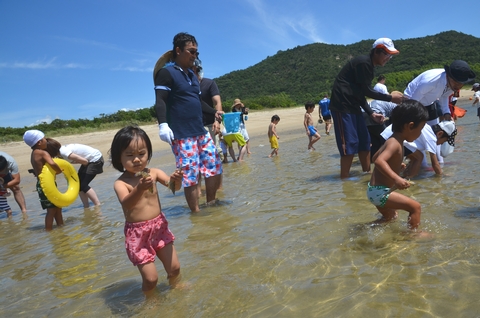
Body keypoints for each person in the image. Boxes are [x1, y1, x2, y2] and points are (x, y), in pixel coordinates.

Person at [153, 32, 223, 213]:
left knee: (214, 165)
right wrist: (163, 124)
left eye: (197, 53)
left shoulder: (192, 76)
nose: (195, 56)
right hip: (182, 134)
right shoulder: (166, 73)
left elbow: (197, 102)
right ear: (178, 50)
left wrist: (214, 112)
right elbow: (160, 100)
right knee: (191, 175)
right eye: (191, 51)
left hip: (200, 131)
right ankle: (196, 214)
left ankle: (211, 204)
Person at [111, 125, 183, 296]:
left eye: (141, 154)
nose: (136, 159)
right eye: (129, 155)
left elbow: (174, 188)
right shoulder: (121, 183)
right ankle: (150, 299)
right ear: (118, 158)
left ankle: (176, 288)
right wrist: (140, 189)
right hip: (138, 234)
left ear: (148, 154)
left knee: (175, 267)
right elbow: (127, 204)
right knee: (151, 279)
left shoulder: (154, 173)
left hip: (159, 227)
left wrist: (176, 180)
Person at [329, 37, 404, 178]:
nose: (388, 58)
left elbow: (360, 93)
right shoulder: (364, 63)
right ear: (377, 51)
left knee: (365, 142)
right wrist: (391, 98)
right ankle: (344, 178)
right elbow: (368, 91)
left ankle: (367, 173)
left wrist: (371, 113)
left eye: (390, 56)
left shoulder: (368, 67)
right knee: (349, 144)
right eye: (387, 54)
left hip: (354, 106)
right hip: (342, 107)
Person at [367, 100, 429, 232]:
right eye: (421, 129)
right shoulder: (395, 143)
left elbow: (374, 158)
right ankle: (414, 235)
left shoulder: (392, 140)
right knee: (415, 207)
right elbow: (379, 162)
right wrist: (397, 178)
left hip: (374, 191)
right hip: (381, 192)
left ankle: (365, 229)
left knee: (391, 218)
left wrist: (394, 164)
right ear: (410, 126)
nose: (420, 133)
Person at [405, 60, 476, 126]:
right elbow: (414, 100)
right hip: (411, 101)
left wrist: (446, 113)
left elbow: (444, 96)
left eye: (461, 84)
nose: (458, 86)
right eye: (456, 83)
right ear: (449, 76)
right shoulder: (430, 81)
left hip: (430, 103)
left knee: (434, 132)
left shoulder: (452, 85)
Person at [381, 120, 456, 177]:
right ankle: (410, 179)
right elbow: (435, 163)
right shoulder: (432, 138)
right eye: (444, 141)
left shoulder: (428, 129)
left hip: (390, 134)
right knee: (419, 157)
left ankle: (405, 175)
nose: (442, 143)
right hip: (393, 138)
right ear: (440, 134)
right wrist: (441, 175)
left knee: (416, 157)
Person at [23, 129, 63, 231]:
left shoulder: (34, 153)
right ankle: (48, 230)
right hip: (46, 185)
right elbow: (53, 163)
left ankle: (61, 227)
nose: (46, 140)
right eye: (44, 138)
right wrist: (59, 170)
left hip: (43, 184)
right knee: (52, 209)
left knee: (57, 207)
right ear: (39, 142)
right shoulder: (42, 152)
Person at [45, 139, 104, 208]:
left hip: (95, 159)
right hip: (88, 161)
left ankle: (97, 204)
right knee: (78, 185)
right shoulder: (59, 154)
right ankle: (86, 206)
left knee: (83, 185)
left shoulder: (64, 152)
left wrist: (74, 163)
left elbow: (84, 161)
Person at [193, 58, 224, 159]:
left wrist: (217, 121)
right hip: (195, 126)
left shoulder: (209, 83)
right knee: (200, 156)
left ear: (196, 69)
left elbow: (217, 102)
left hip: (211, 123)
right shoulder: (187, 86)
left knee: (215, 152)